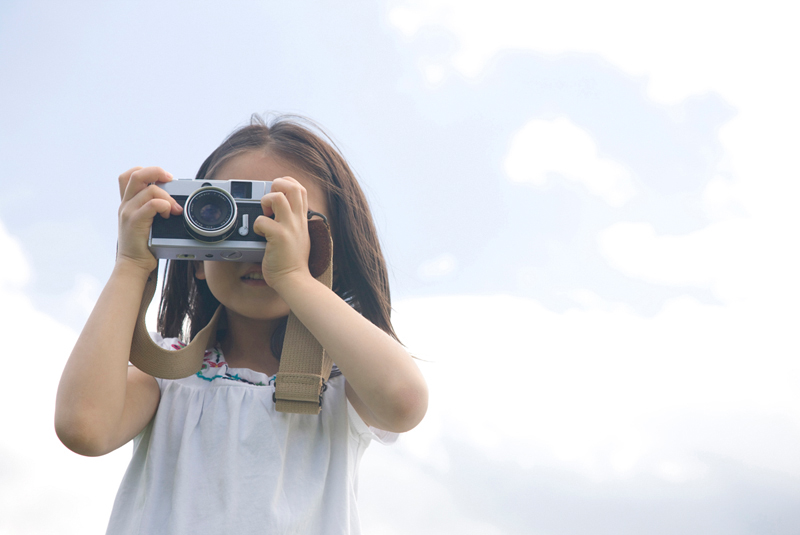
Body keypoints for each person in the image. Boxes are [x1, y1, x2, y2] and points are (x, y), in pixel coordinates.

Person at [54, 115, 428, 534]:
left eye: (285, 222)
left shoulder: (341, 385)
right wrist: (131, 265)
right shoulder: (167, 378)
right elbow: (83, 427)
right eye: (226, 218)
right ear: (195, 253)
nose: (259, 247)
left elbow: (404, 402)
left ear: (329, 252)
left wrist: (295, 278)